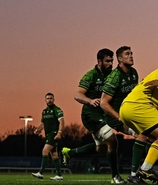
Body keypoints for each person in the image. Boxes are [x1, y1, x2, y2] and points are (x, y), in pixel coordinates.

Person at [64, 49, 120, 183]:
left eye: (112, 61)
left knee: (101, 149)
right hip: (91, 115)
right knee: (112, 140)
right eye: (107, 61)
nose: (110, 63)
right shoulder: (91, 75)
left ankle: (70, 152)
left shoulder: (113, 75)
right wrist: (90, 100)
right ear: (99, 61)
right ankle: (115, 176)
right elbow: (77, 94)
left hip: (104, 114)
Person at [100, 46, 146, 184]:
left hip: (129, 113)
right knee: (142, 135)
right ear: (119, 59)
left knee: (154, 134)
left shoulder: (133, 73)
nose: (131, 56)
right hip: (114, 117)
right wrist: (119, 117)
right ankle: (135, 174)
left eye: (132, 53)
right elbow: (103, 103)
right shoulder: (114, 77)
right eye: (127, 54)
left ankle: (147, 169)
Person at [32, 93, 65, 180]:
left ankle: (41, 173)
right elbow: (43, 123)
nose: (49, 100)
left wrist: (59, 133)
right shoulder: (44, 111)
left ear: (54, 100)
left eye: (51, 98)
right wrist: (37, 129)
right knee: (54, 155)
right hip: (47, 135)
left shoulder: (57, 109)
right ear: (45, 100)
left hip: (53, 134)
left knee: (45, 150)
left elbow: (62, 121)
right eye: (47, 98)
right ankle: (59, 175)